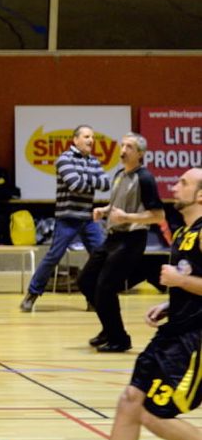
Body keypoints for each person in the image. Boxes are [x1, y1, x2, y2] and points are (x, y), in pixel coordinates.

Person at [60, 168, 202, 440]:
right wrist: (172, 302)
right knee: (129, 401)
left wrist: (182, 284)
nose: (175, 186)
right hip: (172, 333)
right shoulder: (184, 230)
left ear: (200, 195)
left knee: (153, 414)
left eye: (184, 182)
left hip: (193, 341)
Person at [79, 133, 165, 353]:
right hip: (112, 237)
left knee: (105, 287)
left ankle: (119, 339)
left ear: (140, 154)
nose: (124, 150)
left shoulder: (145, 178)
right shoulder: (119, 174)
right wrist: (104, 210)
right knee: (86, 280)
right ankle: (109, 329)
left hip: (132, 239)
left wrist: (127, 218)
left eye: (130, 147)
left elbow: (157, 215)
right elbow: (116, 205)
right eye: (123, 145)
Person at [21, 125, 110, 312]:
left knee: (101, 256)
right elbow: (75, 184)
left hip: (87, 218)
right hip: (67, 218)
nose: (91, 140)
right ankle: (32, 294)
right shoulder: (64, 159)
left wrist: (86, 178)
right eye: (86, 136)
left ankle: (92, 297)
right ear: (75, 140)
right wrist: (92, 179)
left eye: (92, 137)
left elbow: (106, 183)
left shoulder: (93, 160)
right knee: (53, 257)